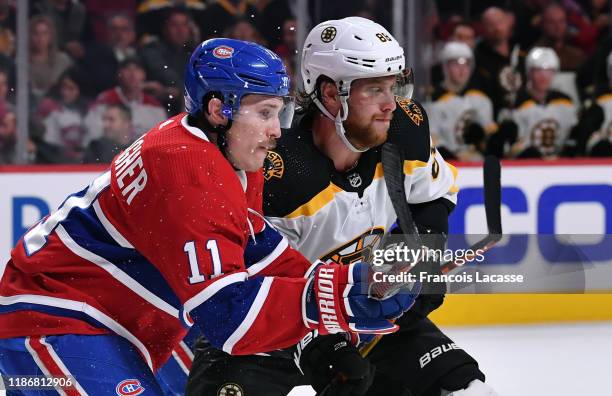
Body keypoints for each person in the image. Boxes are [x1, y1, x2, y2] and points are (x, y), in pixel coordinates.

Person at [0, 38, 416, 394]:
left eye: (280, 113)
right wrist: (338, 298)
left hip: (123, 326)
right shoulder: (187, 169)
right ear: (220, 109)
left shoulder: (228, 157)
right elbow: (226, 318)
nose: (277, 130)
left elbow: (260, 254)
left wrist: (343, 287)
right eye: (266, 113)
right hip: (53, 316)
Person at [187, 18, 497, 396]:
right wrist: (319, 343)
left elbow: (432, 196)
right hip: (271, 327)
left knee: (466, 388)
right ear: (332, 94)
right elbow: (251, 285)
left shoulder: (404, 129)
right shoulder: (274, 168)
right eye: (374, 89)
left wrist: (418, 256)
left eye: (394, 85)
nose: (390, 104)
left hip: (364, 306)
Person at [426, 42, 496, 161]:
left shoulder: (482, 100)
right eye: (456, 63)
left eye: (466, 64)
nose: (462, 69)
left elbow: (489, 139)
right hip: (445, 166)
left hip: (477, 165)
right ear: (445, 67)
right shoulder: (433, 101)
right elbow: (433, 141)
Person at [508, 47, 577, 158]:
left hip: (560, 163)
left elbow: (572, 137)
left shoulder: (565, 102)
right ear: (529, 72)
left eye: (549, 70)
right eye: (538, 70)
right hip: (528, 164)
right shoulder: (518, 102)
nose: (544, 76)